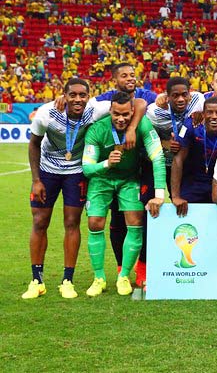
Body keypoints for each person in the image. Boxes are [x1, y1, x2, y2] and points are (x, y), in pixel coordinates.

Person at [22, 79, 113, 299]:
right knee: (39, 221)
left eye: (83, 95)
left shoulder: (94, 110)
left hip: (76, 172)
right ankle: (37, 280)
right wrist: (36, 180)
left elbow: (130, 101)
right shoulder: (46, 114)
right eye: (73, 95)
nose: (78, 99)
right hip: (47, 171)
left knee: (72, 222)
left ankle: (67, 281)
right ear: (64, 95)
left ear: (89, 96)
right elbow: (34, 144)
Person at [81, 91, 166, 297]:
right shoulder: (97, 129)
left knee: (135, 222)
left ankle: (124, 276)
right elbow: (87, 168)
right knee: (95, 223)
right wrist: (107, 163)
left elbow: (158, 157)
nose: (120, 119)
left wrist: (160, 194)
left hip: (129, 180)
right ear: (110, 110)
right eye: (116, 114)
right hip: (101, 179)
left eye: (125, 114)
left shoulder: (143, 125)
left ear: (132, 112)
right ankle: (99, 277)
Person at [168, 96, 217, 213]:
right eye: (210, 112)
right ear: (203, 114)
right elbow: (178, 159)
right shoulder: (191, 126)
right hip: (194, 182)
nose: (214, 116)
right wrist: (175, 196)